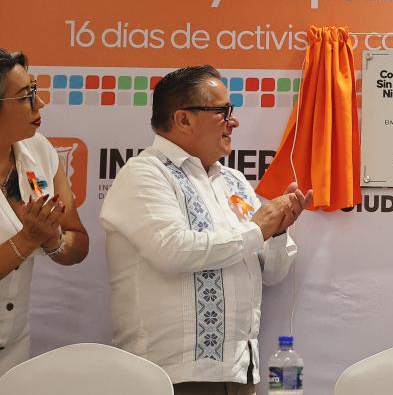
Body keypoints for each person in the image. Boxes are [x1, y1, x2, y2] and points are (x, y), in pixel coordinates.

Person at [100, 65, 312, 395]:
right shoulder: (144, 174)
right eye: (222, 111)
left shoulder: (234, 181)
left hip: (240, 371)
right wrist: (258, 229)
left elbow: (272, 273)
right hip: (172, 375)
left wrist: (279, 231)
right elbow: (173, 250)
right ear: (183, 119)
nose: (234, 121)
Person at [0, 48, 89, 374]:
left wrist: (52, 240)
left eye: (35, 91)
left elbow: (77, 241)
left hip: (14, 349)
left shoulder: (39, 150)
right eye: (26, 97)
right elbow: (28, 239)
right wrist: (28, 239)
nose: (40, 104)